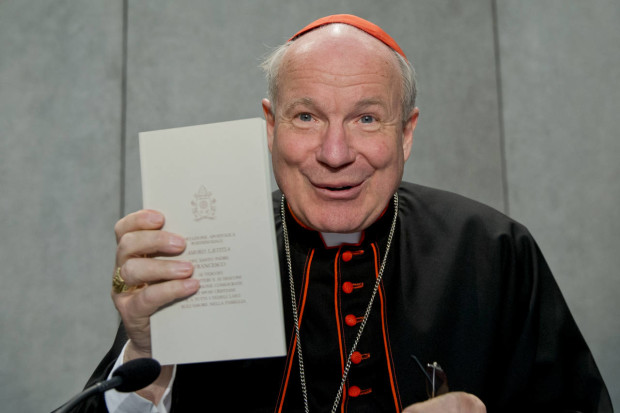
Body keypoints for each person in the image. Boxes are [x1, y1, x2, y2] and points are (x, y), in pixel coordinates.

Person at [76, 14, 612, 412]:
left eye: (367, 119)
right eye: (306, 116)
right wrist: (147, 354)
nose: (335, 153)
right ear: (270, 127)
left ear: (407, 133)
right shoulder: (203, 252)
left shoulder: (492, 250)